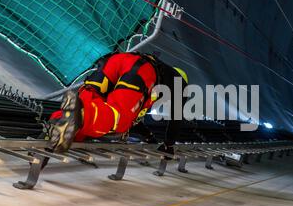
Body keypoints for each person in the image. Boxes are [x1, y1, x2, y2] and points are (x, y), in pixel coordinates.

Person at [47, 52, 188, 156]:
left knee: (88, 101)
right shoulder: (180, 86)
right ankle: (81, 116)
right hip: (141, 70)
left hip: (116, 59)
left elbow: (137, 120)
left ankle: (58, 122)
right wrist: (169, 145)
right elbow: (176, 119)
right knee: (120, 118)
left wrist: (149, 136)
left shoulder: (164, 73)